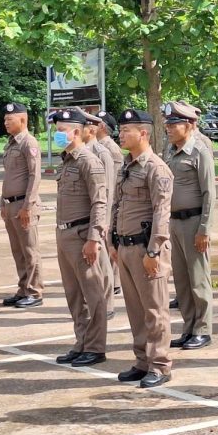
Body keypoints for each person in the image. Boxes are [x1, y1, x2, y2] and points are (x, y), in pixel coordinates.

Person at [111, 109, 174, 388]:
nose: (121, 135)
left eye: (127, 130)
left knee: (154, 309)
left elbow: (162, 211)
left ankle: (159, 364)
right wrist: (112, 239)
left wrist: (154, 251)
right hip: (125, 245)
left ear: (144, 133)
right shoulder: (127, 165)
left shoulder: (156, 168)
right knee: (135, 310)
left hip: (146, 248)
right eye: (121, 130)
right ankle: (142, 361)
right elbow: (118, 204)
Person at [51, 108, 110, 367]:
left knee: (92, 293)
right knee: (74, 294)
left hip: (82, 234)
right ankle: (82, 342)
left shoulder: (88, 161)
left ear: (76, 132)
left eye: (61, 131)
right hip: (64, 233)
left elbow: (100, 202)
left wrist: (94, 238)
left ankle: (95, 347)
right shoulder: (67, 161)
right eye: (56, 131)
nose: (57, 135)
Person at [162, 101, 216, 350]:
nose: (169, 128)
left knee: (198, 279)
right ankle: (189, 327)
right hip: (174, 222)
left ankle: (203, 330)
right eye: (168, 124)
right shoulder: (170, 151)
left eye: (174, 124)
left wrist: (204, 229)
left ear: (189, 125)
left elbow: (209, 193)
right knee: (182, 281)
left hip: (193, 222)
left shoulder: (199, 152)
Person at [0, 102, 44, 309]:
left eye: (10, 119)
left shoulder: (29, 142)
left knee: (30, 250)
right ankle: (23, 288)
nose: (6, 123)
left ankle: (34, 291)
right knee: (18, 251)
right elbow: (9, 176)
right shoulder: (11, 144)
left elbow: (35, 176)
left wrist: (28, 206)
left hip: (24, 204)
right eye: (5, 119)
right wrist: (2, 202)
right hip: (11, 204)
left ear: (23, 119)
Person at [80, 108, 118, 316]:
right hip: (84, 215)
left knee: (103, 261)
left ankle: (107, 304)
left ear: (92, 129)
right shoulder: (78, 151)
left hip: (99, 216)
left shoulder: (102, 153)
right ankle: (93, 302)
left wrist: (104, 221)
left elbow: (108, 190)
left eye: (83, 126)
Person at [96, 110, 123, 296]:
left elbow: (114, 181)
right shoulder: (100, 147)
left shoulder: (111, 149)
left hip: (111, 202)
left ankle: (114, 282)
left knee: (109, 243)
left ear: (102, 127)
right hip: (106, 202)